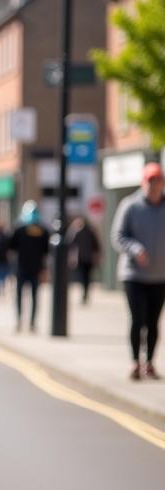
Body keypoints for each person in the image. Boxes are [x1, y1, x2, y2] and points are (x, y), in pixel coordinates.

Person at [110, 162, 165, 381]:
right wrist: (135, 249)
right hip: (133, 274)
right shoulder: (130, 206)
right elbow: (118, 236)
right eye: (150, 181)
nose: (154, 186)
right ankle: (135, 361)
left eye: (158, 181)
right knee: (138, 319)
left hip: (160, 274)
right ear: (143, 183)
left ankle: (149, 362)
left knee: (153, 322)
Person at [9, 200, 50, 334]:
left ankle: (22, 321)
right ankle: (30, 322)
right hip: (33, 268)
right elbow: (46, 251)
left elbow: (11, 247)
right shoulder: (42, 230)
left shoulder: (19, 228)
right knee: (33, 296)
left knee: (22, 296)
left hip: (23, 268)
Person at [66, 214, 101, 305]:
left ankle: (85, 294)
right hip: (84, 258)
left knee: (84, 277)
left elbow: (69, 243)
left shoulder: (80, 232)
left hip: (84, 258)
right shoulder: (88, 231)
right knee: (85, 278)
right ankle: (85, 294)